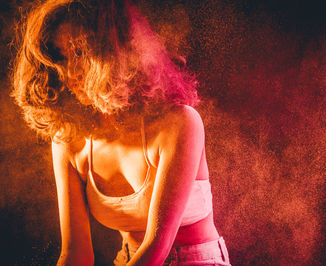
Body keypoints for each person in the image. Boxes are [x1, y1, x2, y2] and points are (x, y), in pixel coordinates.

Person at [11, 0, 230, 265]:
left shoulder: (180, 123)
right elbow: (75, 254)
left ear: (117, 51)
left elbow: (156, 249)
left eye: (80, 52)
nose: (70, 73)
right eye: (61, 57)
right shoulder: (69, 140)